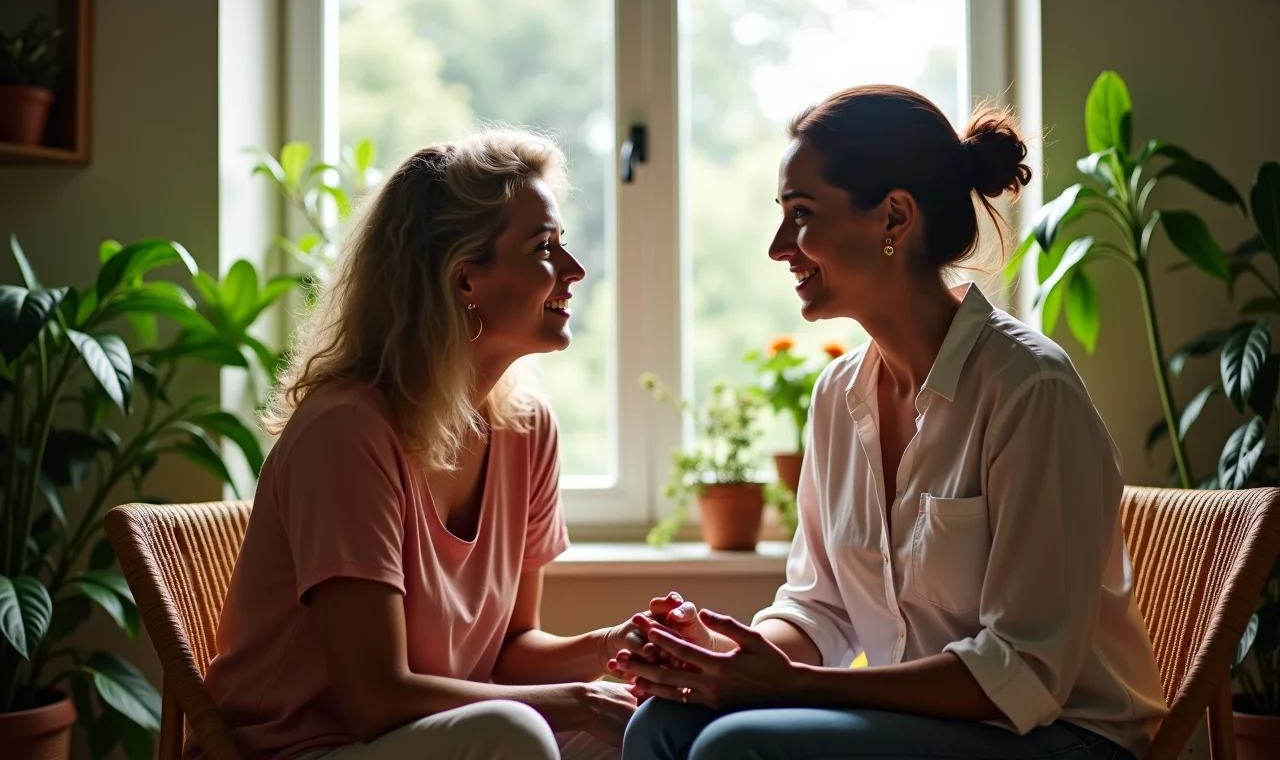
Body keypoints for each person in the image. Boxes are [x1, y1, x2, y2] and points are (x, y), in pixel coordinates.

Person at [613, 86, 1169, 760]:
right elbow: (822, 608)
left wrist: (792, 686)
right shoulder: (837, 394)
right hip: (924, 730)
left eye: (802, 214)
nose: (778, 246)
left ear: (894, 219)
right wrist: (722, 658)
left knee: (738, 747)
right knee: (661, 727)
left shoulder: (1029, 389)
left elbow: (1022, 673)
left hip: (1062, 736)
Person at [196, 129, 663, 760]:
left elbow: (510, 651)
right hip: (303, 749)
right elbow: (376, 699)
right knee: (520, 732)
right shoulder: (346, 433)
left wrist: (615, 646)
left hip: (428, 739)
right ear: (465, 280)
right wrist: (570, 700)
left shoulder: (527, 429)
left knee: (644, 729)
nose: (575, 270)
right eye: (544, 247)